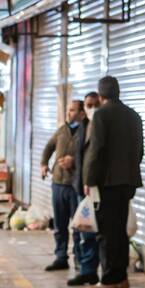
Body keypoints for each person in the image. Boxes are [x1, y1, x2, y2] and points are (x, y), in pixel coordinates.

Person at [81, 76, 143, 288]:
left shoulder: (101, 115)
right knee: (119, 231)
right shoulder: (134, 116)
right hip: (127, 182)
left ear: (100, 96)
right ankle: (122, 278)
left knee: (107, 233)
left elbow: (96, 150)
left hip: (106, 183)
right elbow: (140, 151)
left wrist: (89, 180)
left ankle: (109, 279)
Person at [40, 98, 88, 272]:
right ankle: (61, 256)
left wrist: (73, 161)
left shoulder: (86, 131)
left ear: (82, 113)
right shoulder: (62, 130)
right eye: (69, 110)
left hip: (75, 185)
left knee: (77, 226)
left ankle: (79, 258)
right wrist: (44, 164)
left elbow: (90, 156)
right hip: (58, 183)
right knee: (60, 225)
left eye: (73, 110)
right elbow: (48, 147)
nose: (70, 113)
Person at [68, 92, 102, 287]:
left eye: (94, 104)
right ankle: (86, 269)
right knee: (83, 229)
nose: (91, 109)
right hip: (81, 187)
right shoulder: (83, 127)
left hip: (96, 188)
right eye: (88, 105)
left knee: (96, 232)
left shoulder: (102, 126)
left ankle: (94, 270)